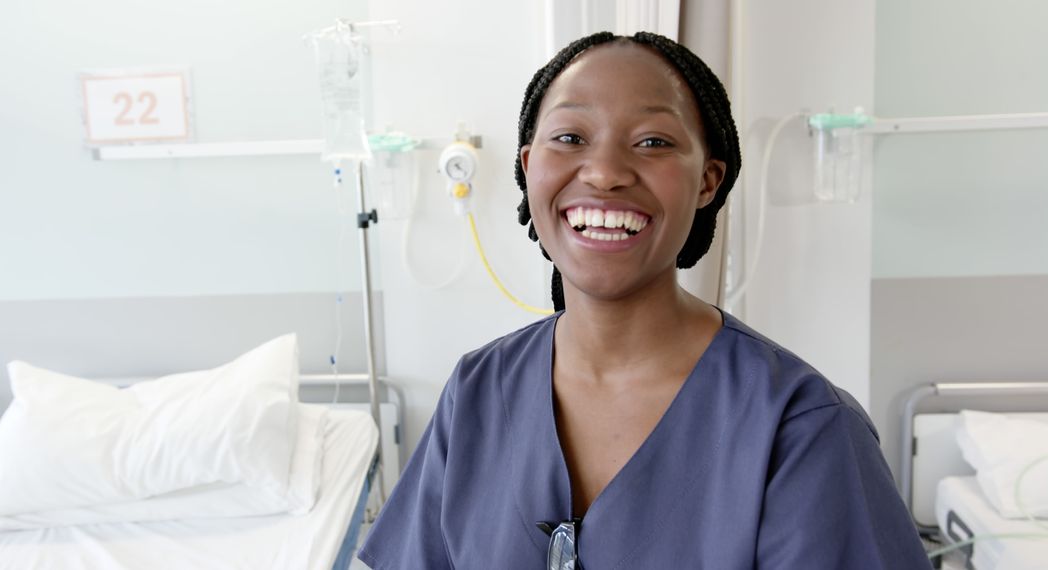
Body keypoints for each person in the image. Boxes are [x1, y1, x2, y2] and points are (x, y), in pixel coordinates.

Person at [358, 31, 931, 569]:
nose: (605, 172)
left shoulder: (799, 427)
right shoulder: (477, 393)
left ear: (708, 182)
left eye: (653, 142)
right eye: (570, 138)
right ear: (529, 166)